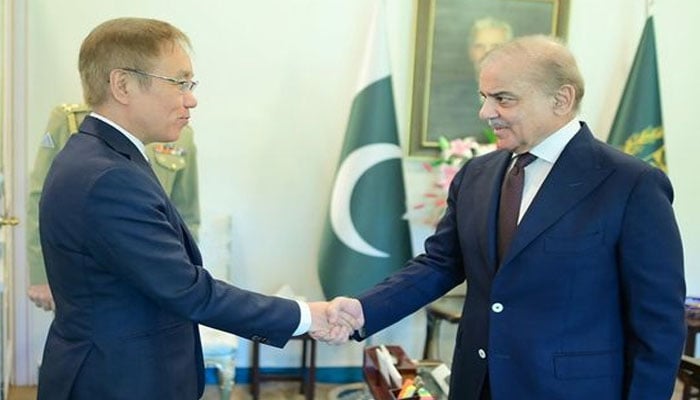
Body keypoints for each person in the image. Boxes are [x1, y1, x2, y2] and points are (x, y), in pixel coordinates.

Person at [328, 35, 686, 399]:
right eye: (484, 97)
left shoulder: (631, 184)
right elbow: (440, 264)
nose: (486, 112)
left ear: (561, 99)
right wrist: (361, 310)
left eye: (503, 99)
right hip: (477, 384)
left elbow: (658, 323)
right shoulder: (477, 174)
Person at [37, 17, 356, 400]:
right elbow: (188, 291)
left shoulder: (101, 156)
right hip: (117, 380)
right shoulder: (108, 176)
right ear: (122, 85)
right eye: (179, 82)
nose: (191, 98)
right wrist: (308, 315)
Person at [27, 103, 201, 311]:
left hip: (156, 270)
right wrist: (42, 274)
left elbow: (186, 214)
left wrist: (186, 278)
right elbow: (43, 197)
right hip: (93, 271)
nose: (189, 98)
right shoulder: (72, 120)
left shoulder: (181, 134)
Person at [427, 17, 512, 143]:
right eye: (479, 46)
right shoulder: (445, 98)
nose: (487, 52)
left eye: (495, 46)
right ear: (471, 52)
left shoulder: (522, 96)